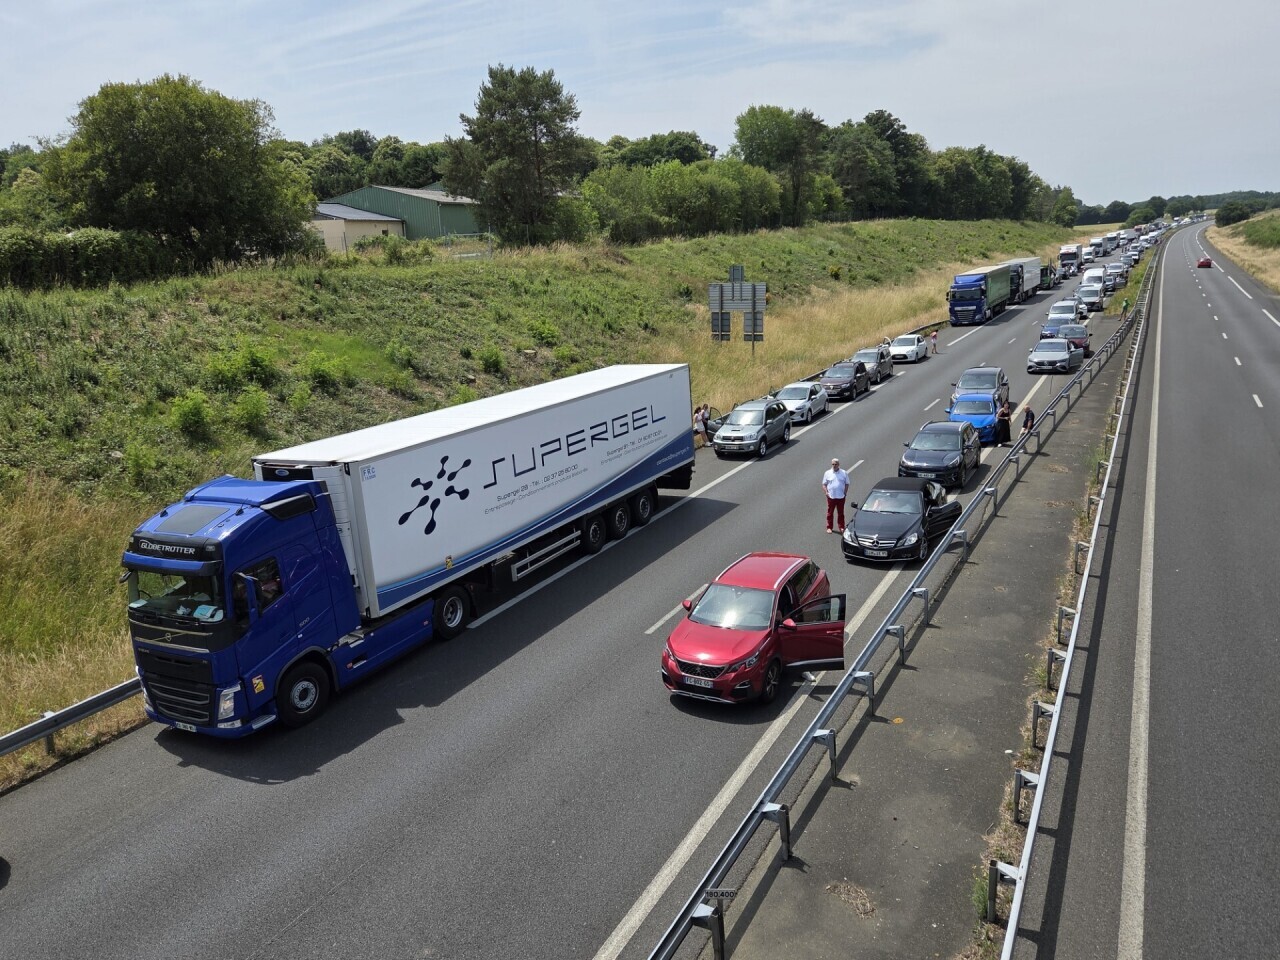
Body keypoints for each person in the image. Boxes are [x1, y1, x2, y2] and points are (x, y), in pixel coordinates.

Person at [821, 457, 850, 534]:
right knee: (830, 513)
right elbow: (824, 484)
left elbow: (847, 483)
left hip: (841, 496)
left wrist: (845, 492)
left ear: (838, 464)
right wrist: (826, 492)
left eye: (835, 464)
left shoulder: (844, 473)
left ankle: (841, 527)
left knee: (841, 513)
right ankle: (829, 527)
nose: (834, 465)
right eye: (833, 464)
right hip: (831, 497)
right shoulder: (827, 473)